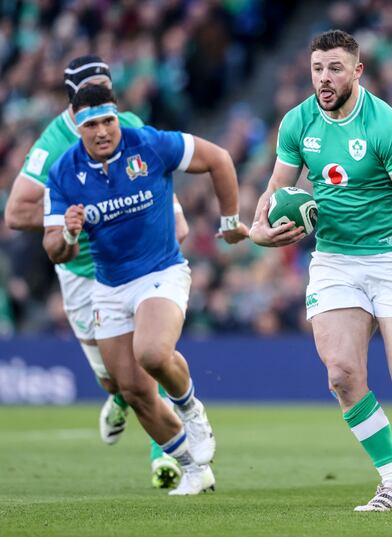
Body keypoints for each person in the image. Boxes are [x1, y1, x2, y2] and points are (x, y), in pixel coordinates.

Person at [249, 29, 392, 512]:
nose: (324, 78)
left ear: (357, 71)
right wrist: (257, 228)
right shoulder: (297, 123)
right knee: (340, 374)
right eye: (317, 69)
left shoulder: (387, 127)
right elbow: (277, 189)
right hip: (335, 260)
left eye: (335, 68)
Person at [42, 83, 249, 495]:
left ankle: (191, 409)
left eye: (108, 121)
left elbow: (219, 159)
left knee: (152, 353)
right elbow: (54, 250)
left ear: (117, 117)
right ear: (77, 128)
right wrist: (67, 233)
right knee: (133, 390)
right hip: (108, 286)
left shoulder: (148, 144)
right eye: (92, 125)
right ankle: (193, 469)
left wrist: (229, 222)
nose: (103, 131)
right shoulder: (64, 171)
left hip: (162, 271)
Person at [5, 55, 189, 489]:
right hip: (81, 271)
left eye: (109, 93)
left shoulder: (127, 124)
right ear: (73, 104)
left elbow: (155, 178)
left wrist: (169, 222)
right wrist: (74, 219)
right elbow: (16, 212)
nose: (106, 110)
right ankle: (120, 401)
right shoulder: (53, 145)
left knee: (150, 355)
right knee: (115, 380)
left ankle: (166, 457)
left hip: (134, 265)